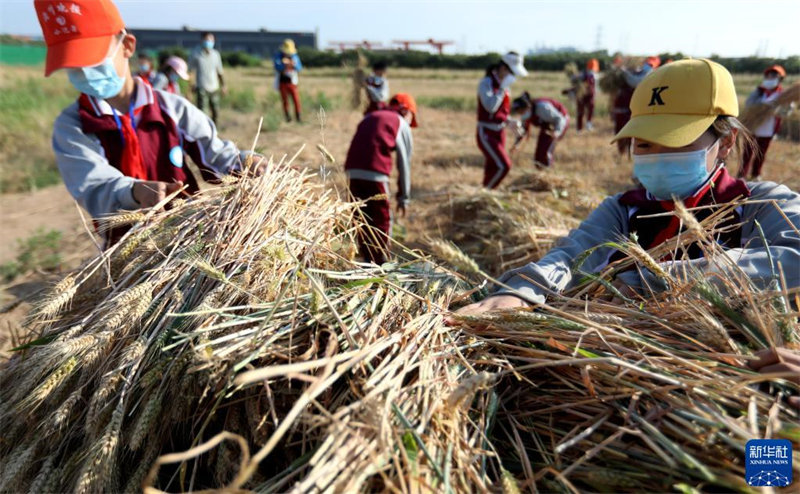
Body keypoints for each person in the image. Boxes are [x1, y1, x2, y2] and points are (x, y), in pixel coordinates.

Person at [454, 59, 800, 389]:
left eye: (675, 141)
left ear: (725, 142)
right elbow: (572, 256)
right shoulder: (625, 210)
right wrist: (521, 292)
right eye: (645, 143)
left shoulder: (762, 205)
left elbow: (792, 260)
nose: (656, 156)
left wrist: (654, 279)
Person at [34, 0, 262, 247]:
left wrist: (247, 163)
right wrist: (134, 192)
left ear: (127, 46)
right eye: (73, 66)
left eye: (93, 60)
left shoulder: (172, 108)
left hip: (189, 239)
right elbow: (94, 187)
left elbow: (216, 155)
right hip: (126, 252)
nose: (85, 72)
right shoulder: (73, 127)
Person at [344, 94, 417, 265]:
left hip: (352, 171)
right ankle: (381, 264)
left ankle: (366, 260)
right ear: (406, 111)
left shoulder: (370, 116)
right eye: (412, 118)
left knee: (361, 218)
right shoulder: (400, 122)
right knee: (381, 218)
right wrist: (404, 198)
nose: (410, 124)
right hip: (376, 172)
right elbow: (404, 165)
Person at [477, 52, 528, 189]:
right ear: (504, 68)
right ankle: (487, 193)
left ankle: (486, 191)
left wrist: (509, 121)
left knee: (493, 167)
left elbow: (501, 113)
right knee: (504, 166)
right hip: (486, 132)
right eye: (513, 73)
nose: (514, 77)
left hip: (500, 132)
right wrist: (501, 89)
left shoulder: (504, 87)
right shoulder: (487, 83)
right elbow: (491, 107)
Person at [739, 64, 786, 180]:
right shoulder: (759, 91)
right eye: (769, 76)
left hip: (768, 129)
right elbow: (749, 104)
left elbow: (785, 113)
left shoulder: (783, 95)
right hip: (753, 127)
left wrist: (779, 109)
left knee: (761, 153)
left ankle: (755, 175)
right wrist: (762, 104)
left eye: (774, 76)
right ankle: (741, 175)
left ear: (780, 79)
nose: (770, 78)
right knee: (747, 153)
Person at [612, 56, 660, 158]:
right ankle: (623, 152)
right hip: (624, 108)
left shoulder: (647, 74)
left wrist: (625, 72)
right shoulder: (638, 73)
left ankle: (629, 153)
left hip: (631, 110)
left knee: (630, 133)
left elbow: (635, 81)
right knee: (623, 132)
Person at [509, 92, 569, 168]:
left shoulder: (542, 108)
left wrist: (557, 132)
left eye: (520, 111)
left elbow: (559, 119)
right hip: (547, 124)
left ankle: (548, 170)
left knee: (546, 151)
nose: (519, 114)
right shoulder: (526, 115)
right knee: (539, 153)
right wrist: (516, 144)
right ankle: (540, 169)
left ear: (527, 107)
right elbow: (523, 131)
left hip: (560, 122)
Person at [189, 31, 225, 124]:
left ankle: (214, 130)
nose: (209, 42)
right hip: (202, 87)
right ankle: (204, 130)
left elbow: (220, 72)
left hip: (214, 87)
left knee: (216, 112)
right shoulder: (195, 53)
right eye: (207, 39)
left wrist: (223, 85)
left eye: (211, 40)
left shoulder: (216, 54)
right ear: (202, 40)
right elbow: (191, 71)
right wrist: (191, 87)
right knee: (203, 113)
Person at [273, 39, 303, 123]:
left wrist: (292, 64)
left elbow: (299, 68)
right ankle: (287, 117)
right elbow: (277, 67)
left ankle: (298, 117)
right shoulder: (278, 56)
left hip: (292, 82)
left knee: (296, 100)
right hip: (282, 82)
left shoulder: (294, 57)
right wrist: (284, 64)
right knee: (285, 100)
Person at [576, 58, 598, 132]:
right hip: (582, 95)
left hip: (590, 95)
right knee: (580, 111)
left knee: (591, 109)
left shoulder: (594, 75)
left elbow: (595, 86)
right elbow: (578, 83)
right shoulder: (583, 74)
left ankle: (588, 124)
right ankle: (579, 128)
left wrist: (594, 94)